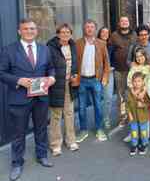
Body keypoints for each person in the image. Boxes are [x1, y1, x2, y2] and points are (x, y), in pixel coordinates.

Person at [0, 19, 56, 181]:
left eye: (32, 28)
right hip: (19, 98)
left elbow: (51, 67)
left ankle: (42, 155)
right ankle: (17, 163)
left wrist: (51, 77)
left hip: (41, 97)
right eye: (26, 29)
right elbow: (2, 72)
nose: (30, 31)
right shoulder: (9, 50)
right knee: (18, 133)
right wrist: (18, 80)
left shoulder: (44, 49)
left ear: (36, 31)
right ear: (19, 31)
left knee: (41, 128)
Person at [47, 23, 79, 157]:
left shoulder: (72, 45)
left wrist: (75, 74)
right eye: (63, 32)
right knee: (56, 115)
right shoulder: (50, 47)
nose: (65, 34)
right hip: (55, 85)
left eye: (68, 32)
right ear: (58, 33)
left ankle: (71, 140)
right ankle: (55, 144)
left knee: (69, 113)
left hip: (69, 84)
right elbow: (48, 65)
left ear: (71, 34)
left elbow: (75, 64)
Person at [76, 19, 110, 143]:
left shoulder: (101, 43)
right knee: (81, 107)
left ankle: (99, 129)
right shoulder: (78, 43)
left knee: (98, 106)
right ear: (84, 29)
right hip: (82, 80)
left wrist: (105, 78)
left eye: (92, 27)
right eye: (87, 27)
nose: (89, 29)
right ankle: (83, 130)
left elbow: (107, 63)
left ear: (95, 29)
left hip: (96, 80)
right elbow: (74, 62)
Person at [109, 16, 137, 127]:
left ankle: (133, 115)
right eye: (122, 21)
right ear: (119, 23)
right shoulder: (114, 35)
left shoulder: (134, 35)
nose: (124, 23)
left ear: (129, 23)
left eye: (126, 21)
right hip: (119, 70)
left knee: (132, 93)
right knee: (121, 95)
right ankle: (123, 117)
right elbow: (110, 51)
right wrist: (111, 65)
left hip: (132, 70)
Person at [127, 72, 150, 156]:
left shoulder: (145, 93)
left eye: (139, 81)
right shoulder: (130, 92)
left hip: (143, 117)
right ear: (132, 82)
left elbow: (149, 104)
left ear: (143, 82)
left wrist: (143, 105)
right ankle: (134, 144)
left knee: (143, 132)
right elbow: (127, 104)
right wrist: (129, 113)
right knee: (134, 132)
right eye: (135, 81)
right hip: (133, 117)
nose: (137, 83)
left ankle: (144, 144)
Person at [97, 27, 114, 130]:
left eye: (107, 32)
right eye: (103, 32)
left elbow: (114, 58)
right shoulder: (95, 44)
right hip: (97, 74)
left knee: (108, 97)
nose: (105, 34)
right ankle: (98, 119)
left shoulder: (111, 46)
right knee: (97, 98)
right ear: (99, 33)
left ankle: (106, 118)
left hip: (109, 73)